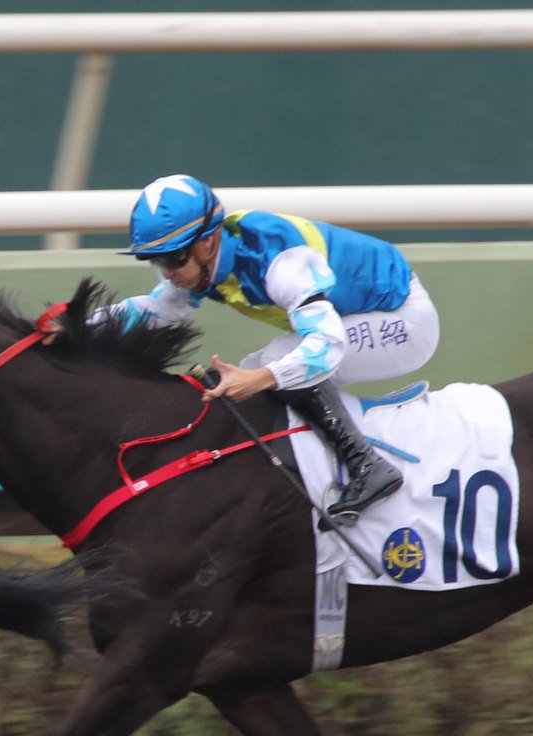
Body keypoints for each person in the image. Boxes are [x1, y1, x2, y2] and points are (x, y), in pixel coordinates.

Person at [105, 174, 441, 522]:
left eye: (173, 258)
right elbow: (155, 310)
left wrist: (262, 378)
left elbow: (326, 346)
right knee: (260, 369)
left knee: (267, 366)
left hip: (402, 320)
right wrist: (71, 322)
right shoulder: (208, 264)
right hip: (355, 315)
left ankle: (366, 465)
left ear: (206, 243)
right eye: (155, 259)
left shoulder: (277, 261)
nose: (167, 272)